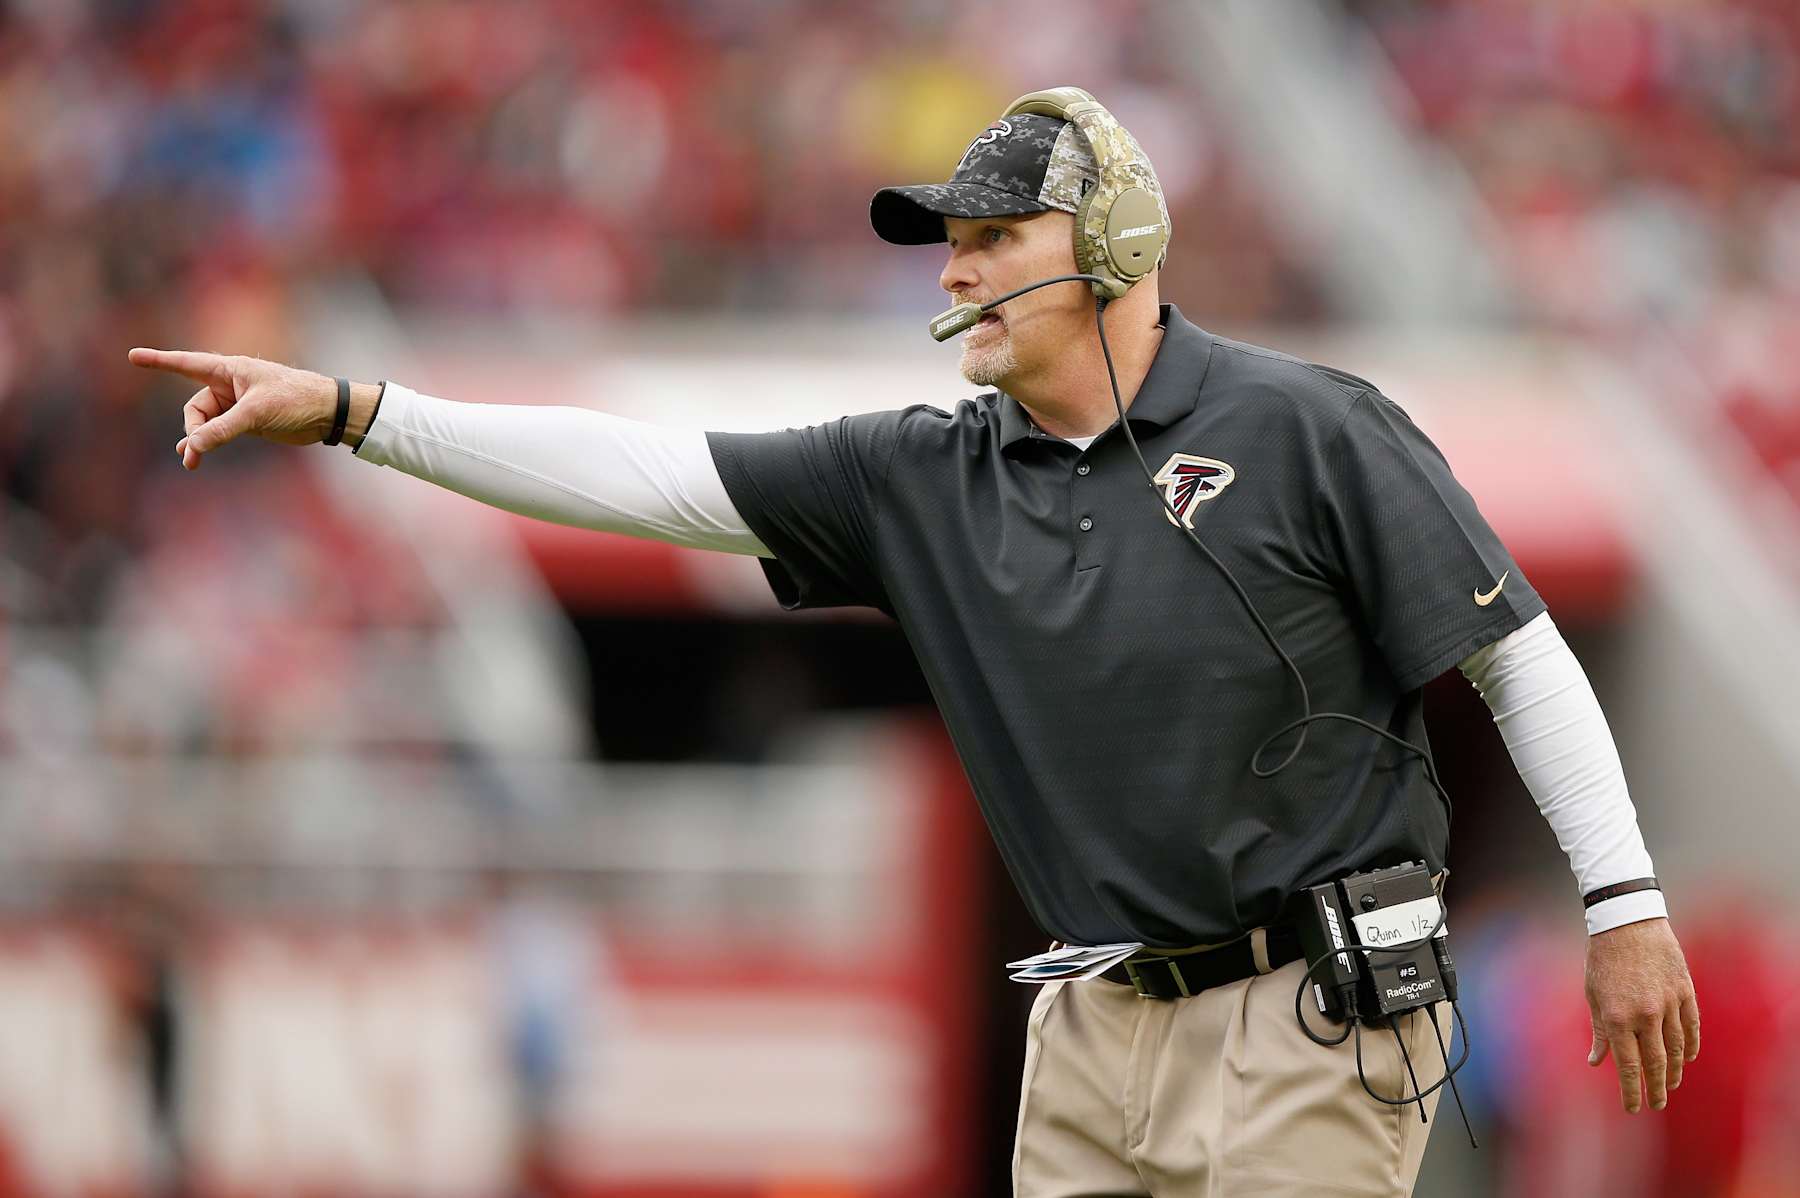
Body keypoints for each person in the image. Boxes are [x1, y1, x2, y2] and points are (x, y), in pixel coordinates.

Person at [129, 88, 1699, 1197]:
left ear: (1109, 244)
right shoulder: (923, 473)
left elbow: (1517, 653)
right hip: (1090, 1021)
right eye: (944, 241)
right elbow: (648, 473)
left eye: (990, 236)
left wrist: (1622, 903)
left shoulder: (1306, 424)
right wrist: (357, 413)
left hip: (1304, 1013)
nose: (950, 270)